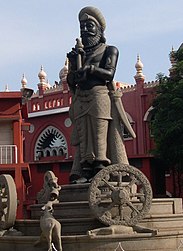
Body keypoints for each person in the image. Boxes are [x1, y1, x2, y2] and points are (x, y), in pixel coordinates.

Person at [67, 6, 135, 183]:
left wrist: (90, 68)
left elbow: (109, 74)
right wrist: (74, 65)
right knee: (84, 137)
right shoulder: (79, 53)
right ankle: (85, 171)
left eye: (89, 25)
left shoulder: (109, 50)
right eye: (82, 27)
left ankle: (101, 169)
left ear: (99, 29)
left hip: (99, 95)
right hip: (82, 97)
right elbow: (71, 80)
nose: (85, 30)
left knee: (99, 135)